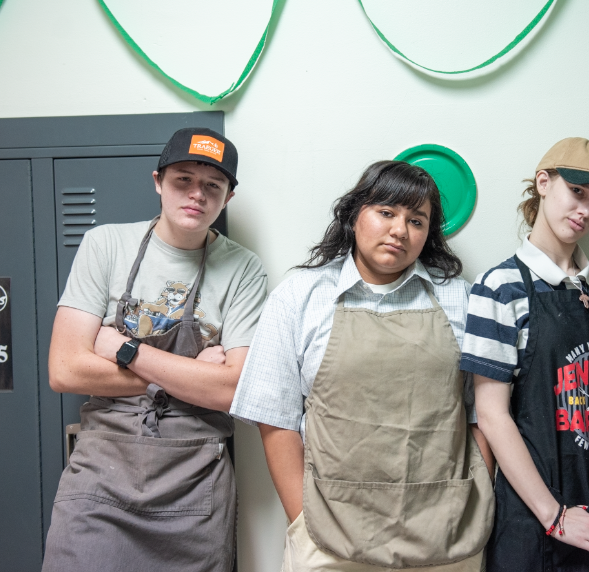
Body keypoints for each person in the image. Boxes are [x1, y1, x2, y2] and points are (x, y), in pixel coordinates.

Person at [230, 160, 495, 571]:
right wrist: (303, 521)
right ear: (355, 216)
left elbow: (482, 414)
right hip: (327, 535)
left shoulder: (461, 299)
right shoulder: (300, 295)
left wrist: (472, 505)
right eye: (386, 212)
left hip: (445, 534)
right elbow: (275, 419)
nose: (400, 231)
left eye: (417, 220)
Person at [42, 127, 267, 572]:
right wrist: (192, 373)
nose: (197, 194)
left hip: (195, 481)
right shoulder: (105, 244)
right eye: (183, 179)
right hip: (102, 471)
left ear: (228, 198)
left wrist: (124, 349)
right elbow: (65, 370)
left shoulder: (243, 267)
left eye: (212, 186)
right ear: (158, 181)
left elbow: (232, 390)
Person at [462, 137, 589, 571]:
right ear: (543, 183)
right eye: (577, 192)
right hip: (536, 522)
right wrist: (555, 516)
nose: (586, 210)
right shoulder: (500, 287)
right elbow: (492, 415)